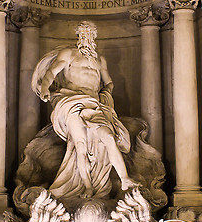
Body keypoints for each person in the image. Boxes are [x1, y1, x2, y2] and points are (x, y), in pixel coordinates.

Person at [32, 21, 136, 203]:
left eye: (90, 32)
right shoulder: (69, 54)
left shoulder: (99, 60)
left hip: (94, 104)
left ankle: (125, 179)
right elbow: (51, 72)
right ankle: (87, 185)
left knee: (109, 137)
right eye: (83, 32)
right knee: (80, 146)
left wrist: (106, 93)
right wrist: (45, 89)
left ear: (94, 36)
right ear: (78, 35)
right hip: (71, 101)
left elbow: (109, 82)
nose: (87, 36)